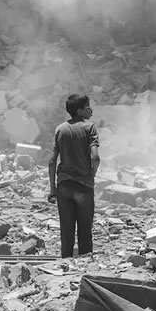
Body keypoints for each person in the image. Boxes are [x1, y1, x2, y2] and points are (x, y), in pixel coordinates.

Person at [48, 94, 100, 258]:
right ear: (79, 111)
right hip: (84, 187)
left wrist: (53, 189)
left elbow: (52, 161)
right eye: (87, 107)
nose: (90, 110)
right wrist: (91, 175)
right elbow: (95, 158)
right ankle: (84, 267)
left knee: (66, 233)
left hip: (64, 187)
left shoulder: (60, 129)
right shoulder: (89, 128)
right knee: (85, 233)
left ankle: (66, 265)